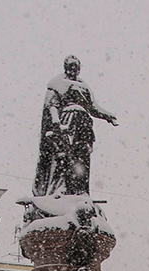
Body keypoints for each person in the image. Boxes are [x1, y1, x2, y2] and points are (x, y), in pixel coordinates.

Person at [33, 55, 118, 197]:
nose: (73, 69)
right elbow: (52, 106)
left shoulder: (84, 86)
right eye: (70, 66)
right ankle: (62, 188)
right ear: (65, 68)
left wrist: (107, 116)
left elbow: (93, 108)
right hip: (68, 122)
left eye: (76, 67)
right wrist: (56, 123)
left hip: (84, 125)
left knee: (82, 157)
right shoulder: (57, 84)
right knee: (65, 156)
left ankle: (79, 190)